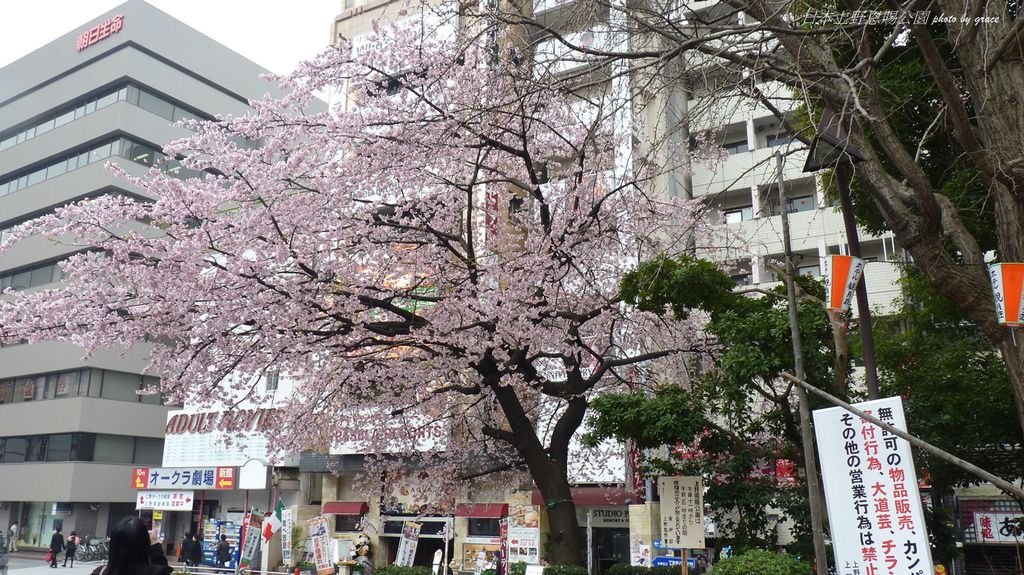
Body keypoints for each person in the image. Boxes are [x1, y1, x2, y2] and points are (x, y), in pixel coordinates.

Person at [90, 517, 171, 575]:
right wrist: (154, 543)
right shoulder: (158, 572)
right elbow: (161, 568)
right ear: (145, 545)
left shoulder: (101, 572)